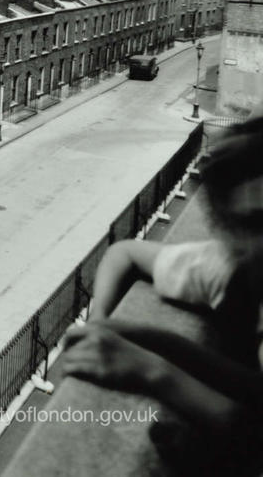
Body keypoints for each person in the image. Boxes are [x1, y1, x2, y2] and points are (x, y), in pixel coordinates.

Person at [61, 117, 263, 470]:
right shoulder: (233, 268)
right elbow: (124, 253)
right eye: (243, 225)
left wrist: (154, 371)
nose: (251, 241)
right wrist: (105, 325)